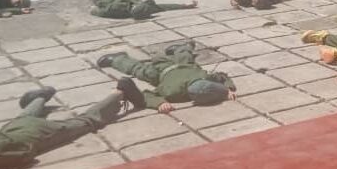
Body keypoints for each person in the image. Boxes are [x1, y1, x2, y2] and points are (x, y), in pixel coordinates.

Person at [0, 81, 145, 169]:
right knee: (25, 117)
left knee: (87, 121)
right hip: (14, 129)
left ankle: (120, 92)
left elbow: (25, 154)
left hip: (37, 134)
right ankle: (41, 96)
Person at [97, 41, 237, 113]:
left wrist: (227, 90)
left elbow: (221, 77)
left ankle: (184, 47)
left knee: (183, 58)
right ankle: (117, 59)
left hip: (172, 68)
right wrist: (227, 89)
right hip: (166, 67)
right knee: (142, 70)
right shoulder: (172, 91)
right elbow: (147, 95)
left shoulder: (204, 79)